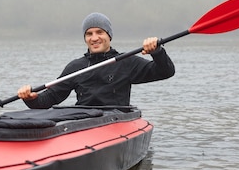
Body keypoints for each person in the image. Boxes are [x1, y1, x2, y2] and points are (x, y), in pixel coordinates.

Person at [17, 12, 175, 108]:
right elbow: (49, 99)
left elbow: (165, 72)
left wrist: (157, 52)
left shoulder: (126, 62)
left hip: (116, 122)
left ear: (109, 36)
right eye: (89, 34)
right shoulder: (76, 67)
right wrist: (31, 99)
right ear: (85, 38)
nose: (94, 38)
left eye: (100, 32)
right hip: (84, 122)